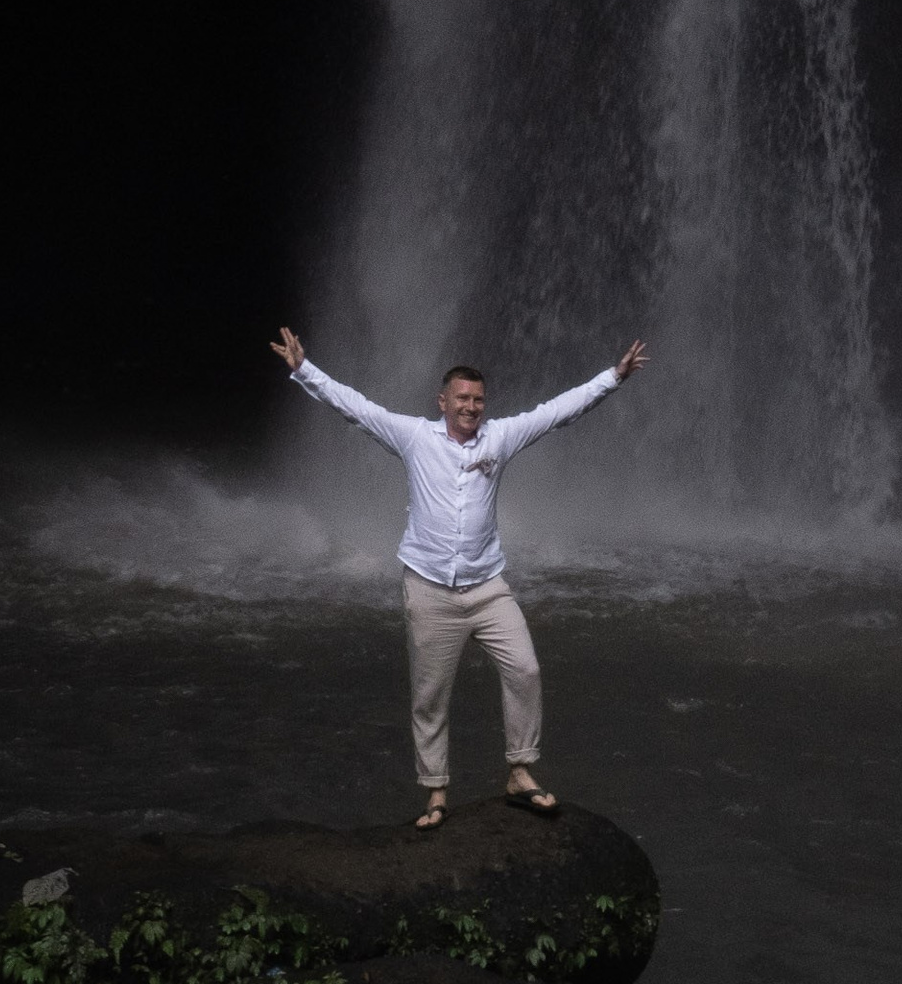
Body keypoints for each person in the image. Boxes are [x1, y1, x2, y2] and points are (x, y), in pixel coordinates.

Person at [271, 325, 648, 830]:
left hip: (488, 587)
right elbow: (355, 408)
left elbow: (559, 410)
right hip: (429, 588)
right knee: (430, 696)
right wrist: (303, 369)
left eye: (479, 399)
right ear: (443, 401)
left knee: (526, 670)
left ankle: (519, 770)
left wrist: (615, 377)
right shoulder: (413, 437)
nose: (472, 406)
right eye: (463, 398)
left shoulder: (501, 437)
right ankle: (436, 793)